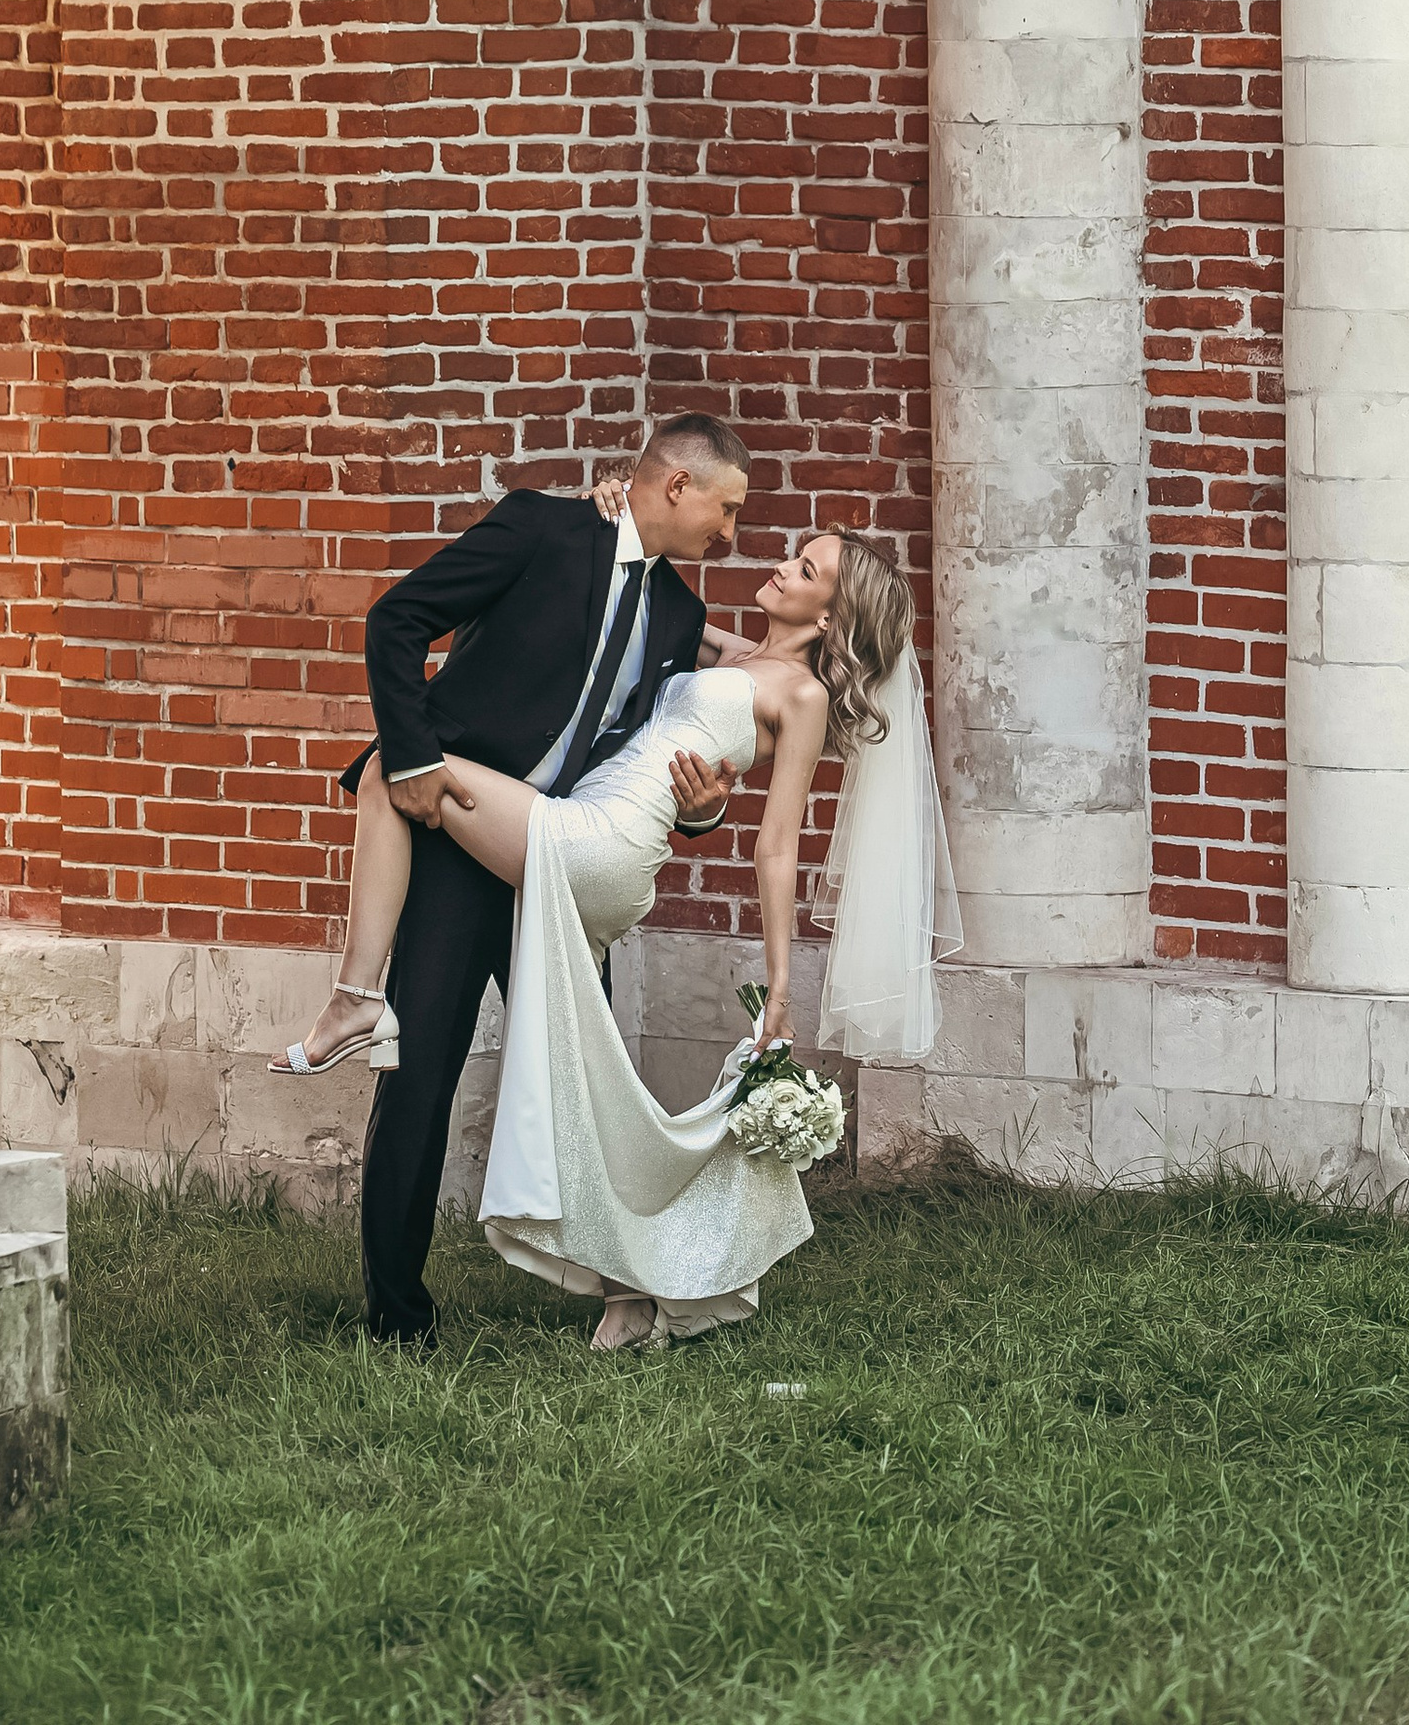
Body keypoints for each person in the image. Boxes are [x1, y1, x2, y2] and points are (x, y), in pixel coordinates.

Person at [314, 516, 958, 1348]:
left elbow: (774, 846)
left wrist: (782, 990)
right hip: (573, 840)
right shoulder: (727, 652)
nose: (775, 562)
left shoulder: (800, 694)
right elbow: (642, 605)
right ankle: (630, 1294)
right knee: (587, 1089)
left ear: (831, 618)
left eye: (803, 568)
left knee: (391, 766)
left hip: (592, 848)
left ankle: (356, 995)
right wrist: (609, 508)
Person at [283, 419, 753, 1350]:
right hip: (459, 846)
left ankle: (632, 1294)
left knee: (594, 1085)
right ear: (675, 487)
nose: (729, 534)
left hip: (560, 860)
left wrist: (703, 809)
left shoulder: (682, 618)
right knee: (422, 1076)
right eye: (725, 509)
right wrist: (412, 759)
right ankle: (397, 1320)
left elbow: (652, 759)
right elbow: (397, 618)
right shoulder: (545, 528)